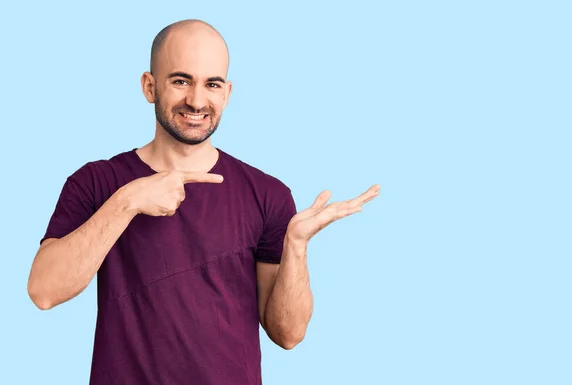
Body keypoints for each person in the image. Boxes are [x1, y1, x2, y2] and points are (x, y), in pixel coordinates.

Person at [27, 19, 380, 385]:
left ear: (226, 93)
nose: (196, 101)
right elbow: (44, 292)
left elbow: (288, 335)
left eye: (211, 84)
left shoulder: (268, 194)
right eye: (180, 81)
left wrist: (296, 246)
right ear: (150, 87)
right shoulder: (97, 182)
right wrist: (127, 201)